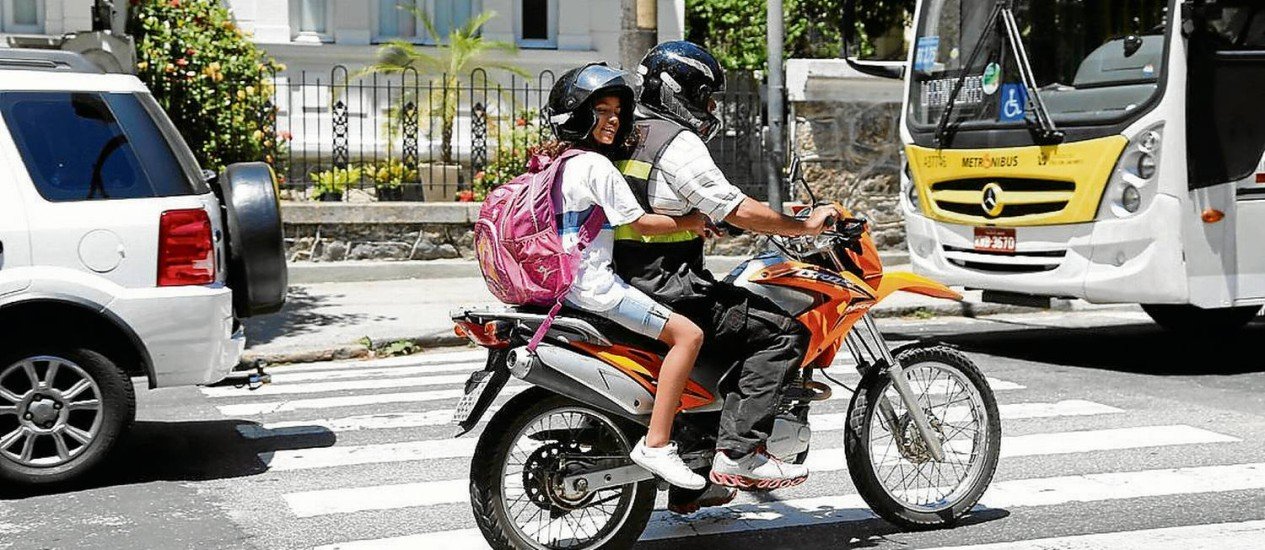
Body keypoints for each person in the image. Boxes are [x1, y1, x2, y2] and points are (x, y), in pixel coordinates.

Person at [610, 42, 838, 506]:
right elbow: (735, 208)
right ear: (676, 92)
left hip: (626, 280)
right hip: (669, 287)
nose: (711, 109)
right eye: (705, 96)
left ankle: (694, 481)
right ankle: (739, 453)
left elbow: (652, 205)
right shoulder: (677, 141)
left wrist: (695, 221)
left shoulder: (629, 134)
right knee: (781, 333)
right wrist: (804, 226)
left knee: (728, 335)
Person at [541, 62, 717, 490]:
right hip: (597, 290)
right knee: (688, 336)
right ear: (577, 113)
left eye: (617, 112)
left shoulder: (554, 162)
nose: (613, 120)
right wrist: (693, 221)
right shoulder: (597, 167)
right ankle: (657, 444)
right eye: (601, 111)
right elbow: (640, 223)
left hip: (561, 287)